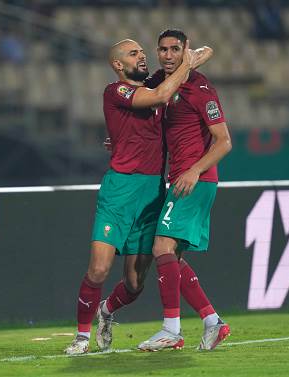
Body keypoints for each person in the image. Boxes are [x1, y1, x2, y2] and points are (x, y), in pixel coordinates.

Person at [64, 38, 210, 355]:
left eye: (143, 53)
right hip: (119, 192)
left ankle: (106, 311)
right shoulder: (116, 91)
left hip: (152, 194)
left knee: (134, 284)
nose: (142, 58)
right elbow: (160, 93)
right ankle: (80, 337)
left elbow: (163, 113)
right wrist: (190, 61)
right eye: (134, 54)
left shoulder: (155, 98)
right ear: (118, 65)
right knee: (99, 269)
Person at [137, 29, 232, 352]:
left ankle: (171, 330)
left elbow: (224, 141)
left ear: (184, 50)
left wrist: (194, 169)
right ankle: (211, 321)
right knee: (171, 255)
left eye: (175, 49)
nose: (167, 55)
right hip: (178, 179)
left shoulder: (201, 89)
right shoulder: (164, 84)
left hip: (195, 180)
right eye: (162, 49)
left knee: (162, 246)